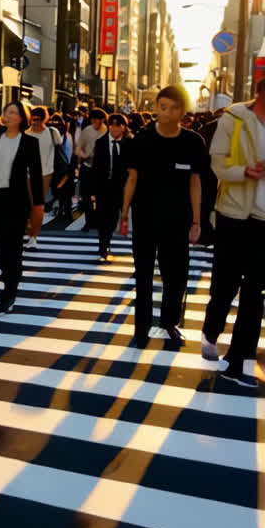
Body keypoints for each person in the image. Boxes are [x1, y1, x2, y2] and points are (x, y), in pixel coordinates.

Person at [120, 85, 209, 348]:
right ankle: (141, 328)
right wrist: (123, 215)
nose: (166, 113)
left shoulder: (193, 142)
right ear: (156, 107)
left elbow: (196, 183)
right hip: (146, 218)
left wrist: (196, 222)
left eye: (173, 108)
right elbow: (132, 178)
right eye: (162, 106)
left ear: (182, 111)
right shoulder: (142, 140)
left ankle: (170, 323)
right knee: (143, 274)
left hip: (178, 220)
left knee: (176, 276)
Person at [201, 76, 265, 387]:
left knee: (255, 292)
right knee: (226, 284)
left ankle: (237, 362)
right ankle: (211, 331)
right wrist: (245, 172)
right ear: (259, 93)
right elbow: (217, 163)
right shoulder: (235, 118)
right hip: (234, 212)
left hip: (264, 218)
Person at [0, 101, 44, 315]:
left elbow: (37, 175)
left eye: (14, 112)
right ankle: (7, 286)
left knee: (13, 248)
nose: (9, 115)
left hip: (16, 201)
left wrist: (38, 206)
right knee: (0, 248)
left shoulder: (30, 142)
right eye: (6, 111)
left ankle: (9, 292)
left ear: (22, 117)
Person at [91, 113, 129, 261]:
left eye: (118, 125)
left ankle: (107, 241)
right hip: (103, 186)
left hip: (120, 187)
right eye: (112, 125)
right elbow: (95, 168)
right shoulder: (100, 142)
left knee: (113, 218)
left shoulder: (128, 143)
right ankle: (103, 246)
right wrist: (93, 190)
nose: (114, 128)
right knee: (102, 217)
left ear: (123, 127)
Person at [25, 106, 64, 246]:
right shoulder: (25, 134)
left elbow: (60, 149)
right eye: (33, 118)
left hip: (46, 173)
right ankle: (30, 229)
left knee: (38, 205)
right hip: (28, 173)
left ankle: (34, 236)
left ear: (44, 119)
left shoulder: (52, 133)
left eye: (39, 119)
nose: (35, 122)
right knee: (29, 205)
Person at [75, 108, 107, 228]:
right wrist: (84, 156)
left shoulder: (107, 131)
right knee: (86, 196)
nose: (94, 122)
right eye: (92, 119)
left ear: (102, 120)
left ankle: (99, 220)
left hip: (102, 168)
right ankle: (88, 222)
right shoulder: (87, 131)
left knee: (101, 196)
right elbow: (78, 148)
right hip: (88, 166)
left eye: (96, 119)